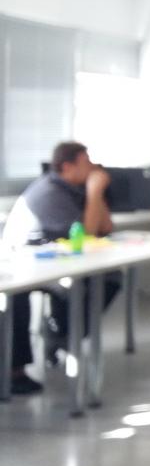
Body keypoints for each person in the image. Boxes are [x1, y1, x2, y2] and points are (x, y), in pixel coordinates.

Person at [2, 141, 119, 395]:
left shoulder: (73, 189)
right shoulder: (49, 192)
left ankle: (63, 334)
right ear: (67, 166)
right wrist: (95, 191)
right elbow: (86, 236)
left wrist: (97, 193)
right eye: (86, 162)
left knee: (110, 277)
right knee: (17, 296)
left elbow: (104, 228)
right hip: (24, 266)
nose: (92, 168)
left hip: (57, 265)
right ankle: (19, 367)